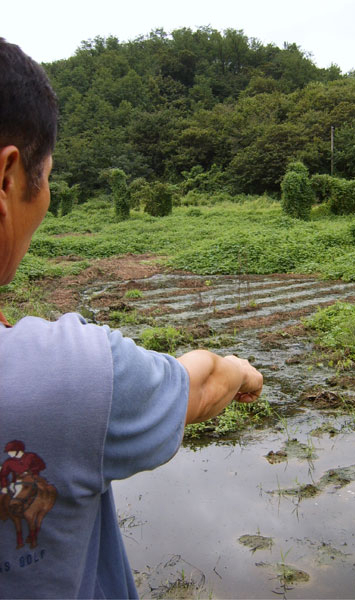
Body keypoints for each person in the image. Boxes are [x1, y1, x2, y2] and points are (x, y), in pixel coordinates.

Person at [0, 38, 263, 599]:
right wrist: (241, 370)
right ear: (9, 179)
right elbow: (202, 384)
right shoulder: (69, 372)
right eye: (45, 177)